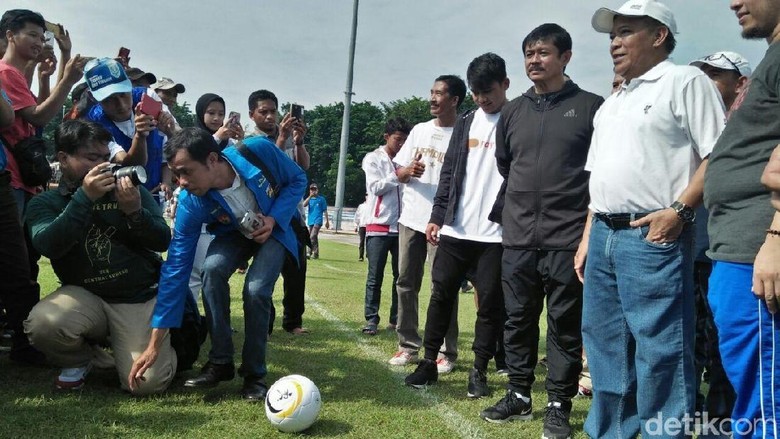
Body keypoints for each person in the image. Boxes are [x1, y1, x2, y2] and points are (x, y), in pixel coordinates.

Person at [578, 1, 727, 437]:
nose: (615, 43)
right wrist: (589, 236)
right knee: (605, 345)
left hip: (652, 235)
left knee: (660, 349)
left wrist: (680, 211)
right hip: (605, 232)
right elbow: (600, 179)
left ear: (659, 35)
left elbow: (717, 155)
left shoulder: (683, 80)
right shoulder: (614, 101)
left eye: (625, 32)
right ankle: (610, 431)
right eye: (611, 35)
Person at [479, 24, 603, 439]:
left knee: (564, 324)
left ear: (565, 56)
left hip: (567, 237)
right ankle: (518, 393)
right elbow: (506, 165)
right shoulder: (512, 111)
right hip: (517, 237)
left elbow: (598, 174)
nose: (534, 60)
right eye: (529, 53)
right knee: (516, 319)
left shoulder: (590, 107)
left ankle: (558, 403)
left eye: (543, 52)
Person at [128, 128, 306, 401]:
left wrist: (273, 219)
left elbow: (297, 179)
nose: (181, 182)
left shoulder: (257, 149)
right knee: (211, 268)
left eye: (186, 172)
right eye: (176, 175)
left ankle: (254, 375)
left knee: (257, 289)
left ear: (212, 159)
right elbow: (176, 269)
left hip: (275, 227)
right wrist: (154, 344)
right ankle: (220, 361)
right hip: (235, 233)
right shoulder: (190, 201)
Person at [24, 119, 175, 394]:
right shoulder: (45, 203)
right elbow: (48, 245)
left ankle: (153, 345)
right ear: (63, 159)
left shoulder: (129, 189)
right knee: (43, 324)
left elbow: (163, 240)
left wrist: (135, 213)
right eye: (91, 158)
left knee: (146, 384)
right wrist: (84, 197)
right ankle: (81, 361)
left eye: (105, 157)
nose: (103, 166)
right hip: (85, 295)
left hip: (136, 296)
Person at [405, 53, 509, 400]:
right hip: (455, 231)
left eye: (488, 91)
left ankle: (479, 369)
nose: (483, 99)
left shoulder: (515, 119)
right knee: (441, 296)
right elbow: (448, 171)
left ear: (505, 85)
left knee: (489, 305)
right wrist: (437, 216)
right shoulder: (465, 122)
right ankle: (429, 362)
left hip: (495, 235)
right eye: (477, 92)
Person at [704, 1, 780, 436]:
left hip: (761, 253)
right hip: (741, 251)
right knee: (753, 394)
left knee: (767, 399)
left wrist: (776, 234)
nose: (734, 1)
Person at [0, 9, 87, 365]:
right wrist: (68, 76)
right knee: (15, 262)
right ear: (10, 34)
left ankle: (21, 336)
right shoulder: (4, 73)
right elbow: (39, 117)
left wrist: (60, 66)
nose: (39, 43)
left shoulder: (13, 75)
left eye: (42, 36)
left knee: (22, 261)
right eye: (33, 35)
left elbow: (33, 116)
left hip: (21, 176)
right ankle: (21, 339)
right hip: (13, 178)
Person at [688, 50, 750, 433]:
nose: (706, 81)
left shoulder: (749, 128)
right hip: (690, 246)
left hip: (731, 251)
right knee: (690, 337)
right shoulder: (688, 123)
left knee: (725, 341)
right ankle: (689, 407)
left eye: (716, 75)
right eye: (703, 73)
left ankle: (723, 416)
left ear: (740, 83)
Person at [388, 74, 467, 375]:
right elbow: (399, 171)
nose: (432, 99)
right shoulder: (420, 130)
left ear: (455, 100)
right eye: (431, 92)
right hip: (412, 217)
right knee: (406, 282)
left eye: (439, 94)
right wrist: (408, 170)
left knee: (443, 287)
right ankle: (408, 345)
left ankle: (447, 351)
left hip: (445, 223)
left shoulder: (463, 133)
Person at [246, 89, 310, 335]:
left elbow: (303, 167)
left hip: (293, 211)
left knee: (297, 268)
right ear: (252, 114)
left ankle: (293, 322)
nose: (270, 116)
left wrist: (299, 141)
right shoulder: (251, 139)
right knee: (266, 272)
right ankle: (266, 322)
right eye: (264, 112)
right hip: (265, 214)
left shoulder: (289, 136)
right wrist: (282, 139)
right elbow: (266, 172)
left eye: (273, 111)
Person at [84, 58, 176, 203]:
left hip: (156, 197)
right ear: (93, 97)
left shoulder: (148, 97)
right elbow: (130, 164)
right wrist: (140, 136)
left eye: (123, 94)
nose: (121, 105)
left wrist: (170, 131)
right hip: (120, 201)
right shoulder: (94, 123)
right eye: (109, 99)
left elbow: (178, 139)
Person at [360, 117, 411, 335]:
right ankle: (371, 319)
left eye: (404, 141)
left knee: (401, 277)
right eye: (397, 140)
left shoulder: (406, 159)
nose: (401, 145)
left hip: (402, 227)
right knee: (375, 277)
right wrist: (398, 175)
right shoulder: (373, 158)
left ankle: (395, 318)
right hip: (378, 226)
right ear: (386, 137)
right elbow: (375, 187)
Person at [303, 183, 329, 259]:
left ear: (317, 190)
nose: (313, 191)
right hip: (310, 220)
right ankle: (315, 253)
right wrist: (310, 196)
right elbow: (304, 204)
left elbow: (325, 211)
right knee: (313, 237)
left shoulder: (321, 199)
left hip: (318, 220)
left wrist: (327, 221)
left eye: (315, 189)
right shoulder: (309, 199)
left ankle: (309, 252)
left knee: (312, 236)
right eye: (312, 189)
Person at [354, 193, 368, 261]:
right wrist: (356, 225)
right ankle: (361, 256)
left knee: (369, 241)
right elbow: (357, 216)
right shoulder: (361, 206)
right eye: (366, 195)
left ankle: (368, 254)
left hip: (369, 226)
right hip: (362, 225)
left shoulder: (372, 206)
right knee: (362, 241)